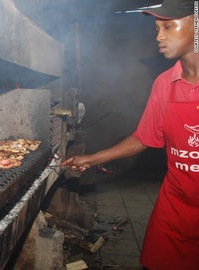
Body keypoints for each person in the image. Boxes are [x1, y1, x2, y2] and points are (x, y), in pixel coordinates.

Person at [61, 0, 199, 269]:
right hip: (175, 208)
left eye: (168, 26)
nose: (159, 35)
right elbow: (144, 137)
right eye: (157, 28)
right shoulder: (164, 84)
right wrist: (92, 159)